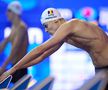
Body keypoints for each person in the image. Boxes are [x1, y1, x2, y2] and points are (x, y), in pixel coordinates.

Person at [0, 8, 108, 88]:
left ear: (56, 20)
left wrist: (11, 70)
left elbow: (40, 49)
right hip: (100, 68)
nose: (46, 30)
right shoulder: (65, 36)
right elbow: (41, 56)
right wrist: (15, 70)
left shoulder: (70, 25)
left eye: (46, 26)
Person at [0, 1, 28, 83]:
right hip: (15, 67)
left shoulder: (21, 27)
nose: (6, 13)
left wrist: (3, 67)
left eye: (8, 11)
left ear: (14, 12)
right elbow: (5, 42)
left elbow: (15, 49)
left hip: (20, 68)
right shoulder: (14, 26)